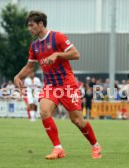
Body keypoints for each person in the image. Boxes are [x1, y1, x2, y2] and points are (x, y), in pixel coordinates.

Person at [14, 11, 102, 159]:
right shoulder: (35, 45)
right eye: (28, 26)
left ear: (41, 24)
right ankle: (58, 148)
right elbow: (30, 67)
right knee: (44, 111)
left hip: (67, 85)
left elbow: (76, 54)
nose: (29, 29)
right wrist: (18, 76)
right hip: (50, 86)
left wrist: (57, 54)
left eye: (32, 25)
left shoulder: (57, 37)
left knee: (77, 120)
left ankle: (95, 145)